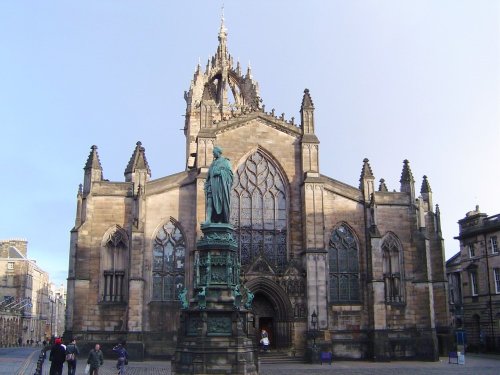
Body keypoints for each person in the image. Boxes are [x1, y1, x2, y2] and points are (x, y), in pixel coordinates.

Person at [204, 146, 233, 224]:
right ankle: (208, 219)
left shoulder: (225, 162)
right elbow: (208, 176)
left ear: (218, 152)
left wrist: (220, 173)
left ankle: (220, 220)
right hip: (211, 185)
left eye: (214, 152)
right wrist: (206, 184)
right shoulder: (213, 163)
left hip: (220, 186)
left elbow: (230, 175)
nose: (213, 154)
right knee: (210, 202)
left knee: (220, 202)